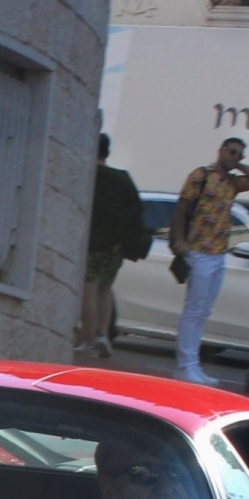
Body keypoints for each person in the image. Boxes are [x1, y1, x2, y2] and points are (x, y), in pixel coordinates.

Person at [169, 137, 249, 387]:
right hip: (199, 250)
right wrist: (179, 240)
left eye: (239, 154)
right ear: (221, 150)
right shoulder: (201, 175)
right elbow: (182, 207)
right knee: (193, 309)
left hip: (218, 252)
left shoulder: (233, 183)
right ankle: (185, 365)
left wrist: (240, 165)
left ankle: (193, 365)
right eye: (231, 151)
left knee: (203, 311)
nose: (234, 156)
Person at [77, 134, 150, 358]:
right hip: (116, 246)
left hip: (93, 243)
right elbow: (136, 210)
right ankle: (103, 335)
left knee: (89, 287)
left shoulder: (89, 178)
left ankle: (89, 340)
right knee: (105, 289)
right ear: (107, 152)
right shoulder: (122, 178)